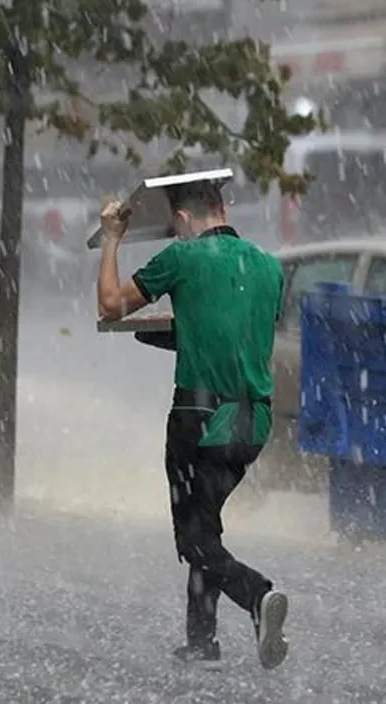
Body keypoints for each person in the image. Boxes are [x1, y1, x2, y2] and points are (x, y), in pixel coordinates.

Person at [95, 178, 290, 670]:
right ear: (223, 208)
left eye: (175, 226)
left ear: (182, 220)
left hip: (199, 420)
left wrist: (113, 238)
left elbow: (110, 305)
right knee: (205, 526)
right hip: (252, 423)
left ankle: (257, 595)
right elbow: (234, 334)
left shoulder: (182, 258)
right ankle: (202, 642)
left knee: (193, 540)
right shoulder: (268, 267)